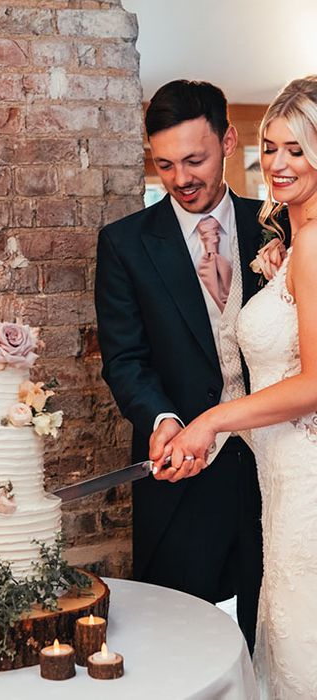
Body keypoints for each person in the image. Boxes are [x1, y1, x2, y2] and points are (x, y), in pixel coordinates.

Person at [95, 80, 277, 652]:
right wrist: (162, 420)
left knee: (277, 628)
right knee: (177, 641)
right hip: (183, 470)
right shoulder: (125, 244)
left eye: (194, 160)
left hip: (279, 462)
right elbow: (126, 359)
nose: (180, 179)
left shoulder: (280, 226)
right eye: (165, 163)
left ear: (229, 140)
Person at [155, 75, 317, 698]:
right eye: (271, 147)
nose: (277, 163)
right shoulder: (290, 242)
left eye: (297, 150)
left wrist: (214, 421)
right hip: (277, 483)